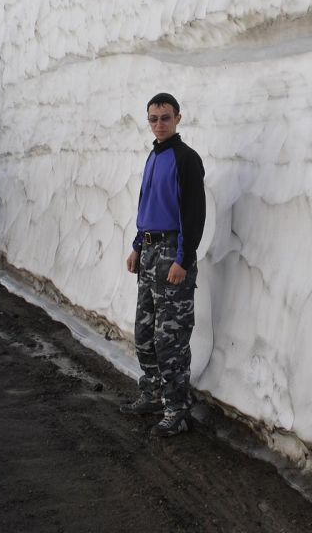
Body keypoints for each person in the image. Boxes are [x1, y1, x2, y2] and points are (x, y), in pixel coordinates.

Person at [118, 92, 206, 437]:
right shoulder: (153, 157)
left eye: (165, 118)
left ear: (178, 118)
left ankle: (177, 411)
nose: (159, 125)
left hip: (173, 254)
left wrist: (184, 259)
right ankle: (153, 394)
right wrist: (138, 246)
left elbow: (193, 214)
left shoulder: (186, 159)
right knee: (145, 333)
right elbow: (148, 206)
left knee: (170, 339)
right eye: (153, 119)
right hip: (151, 253)